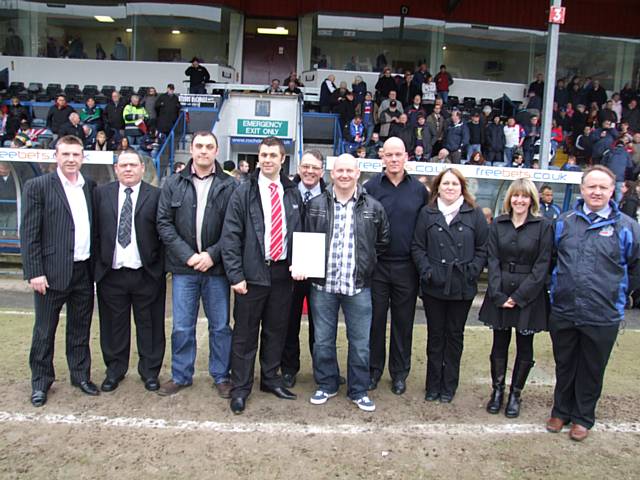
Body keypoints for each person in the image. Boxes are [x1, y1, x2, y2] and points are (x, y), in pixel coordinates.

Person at [546, 166, 640, 441]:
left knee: (592, 367)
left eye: (603, 187)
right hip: (564, 309)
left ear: (613, 190)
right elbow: (551, 259)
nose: (596, 191)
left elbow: (635, 267)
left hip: (603, 314)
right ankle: (560, 411)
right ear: (582, 189)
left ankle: (583, 417)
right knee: (564, 363)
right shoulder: (564, 221)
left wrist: (618, 295)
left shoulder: (627, 226)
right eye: (591, 187)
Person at [221, 136, 303, 414]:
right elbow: (230, 236)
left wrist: (300, 264)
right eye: (263, 155)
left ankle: (270, 378)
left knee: (276, 330)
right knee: (244, 335)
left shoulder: (292, 193)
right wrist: (235, 275)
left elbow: (300, 233)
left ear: (283, 159)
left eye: (273, 155)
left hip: (282, 274)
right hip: (251, 275)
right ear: (258, 158)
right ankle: (241, 387)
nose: (267, 159)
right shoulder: (243, 191)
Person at [301, 153, 389, 411]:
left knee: (360, 342)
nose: (344, 175)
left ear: (358, 173)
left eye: (349, 171)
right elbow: (305, 236)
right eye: (340, 170)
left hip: (358, 286)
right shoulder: (316, 203)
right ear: (331, 173)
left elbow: (382, 242)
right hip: (323, 286)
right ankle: (327, 384)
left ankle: (358, 389)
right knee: (323, 340)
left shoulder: (373, 207)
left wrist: (366, 264)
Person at [156, 131, 237, 398]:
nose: (203, 151)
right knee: (181, 326)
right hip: (183, 269)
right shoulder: (173, 183)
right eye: (199, 146)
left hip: (216, 270)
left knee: (220, 326)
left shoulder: (230, 185)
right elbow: (164, 224)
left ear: (216, 151)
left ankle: (222, 375)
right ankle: (181, 375)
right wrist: (188, 256)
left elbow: (233, 228)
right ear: (191, 149)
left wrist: (212, 255)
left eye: (209, 146)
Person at [21, 135, 98, 407]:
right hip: (51, 273)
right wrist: (34, 272)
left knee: (80, 329)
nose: (71, 159)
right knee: (44, 331)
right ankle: (40, 383)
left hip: (83, 272)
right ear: (56, 156)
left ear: (82, 157)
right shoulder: (38, 186)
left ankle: (80, 376)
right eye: (65, 154)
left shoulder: (90, 187)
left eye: (76, 154)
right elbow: (29, 233)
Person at [412, 168, 488, 403]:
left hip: (461, 286)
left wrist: (472, 271)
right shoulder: (427, 213)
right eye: (445, 184)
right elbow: (417, 246)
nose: (450, 188)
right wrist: (427, 271)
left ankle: (449, 385)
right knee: (435, 336)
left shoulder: (474, 213)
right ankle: (432, 384)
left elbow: (483, 247)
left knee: (454, 336)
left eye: (454, 184)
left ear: (461, 187)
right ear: (438, 187)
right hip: (435, 285)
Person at [479, 179, 553, 417]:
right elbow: (492, 260)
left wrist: (520, 296)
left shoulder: (543, 226)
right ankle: (497, 391)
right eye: (515, 196)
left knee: (525, 346)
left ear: (532, 199)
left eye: (524, 196)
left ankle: (515, 395)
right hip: (500, 291)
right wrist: (499, 294)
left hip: (528, 296)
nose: (519, 200)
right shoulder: (498, 224)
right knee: (499, 344)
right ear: (509, 198)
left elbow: (542, 266)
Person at [93, 149, 166, 393]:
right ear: (116, 169)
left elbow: (165, 233)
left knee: (151, 326)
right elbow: (95, 233)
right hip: (111, 274)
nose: (128, 169)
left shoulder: (156, 195)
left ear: (142, 168)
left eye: (133, 165)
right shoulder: (101, 194)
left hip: (146, 274)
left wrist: (159, 268)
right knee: (114, 326)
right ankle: (115, 370)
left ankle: (150, 372)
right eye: (123, 165)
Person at [364, 137, 429, 395]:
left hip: (407, 268)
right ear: (382, 157)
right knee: (375, 322)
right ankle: (373, 370)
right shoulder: (370, 187)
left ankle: (399, 373)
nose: (393, 159)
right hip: (377, 267)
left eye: (398, 154)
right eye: (389, 154)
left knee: (403, 323)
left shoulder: (419, 191)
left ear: (406, 157)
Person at [280, 150, 327, 388]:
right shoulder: (286, 192)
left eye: (315, 167)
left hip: (321, 271)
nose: (309, 171)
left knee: (321, 325)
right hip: (290, 269)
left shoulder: (330, 195)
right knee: (289, 322)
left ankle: (322, 370)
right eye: (305, 166)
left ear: (322, 171)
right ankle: (289, 368)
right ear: (299, 168)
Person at [0, 161, 17, 232]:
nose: (1, 171)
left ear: (9, 169)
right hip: (0, 210)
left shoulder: (15, 178)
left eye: (3, 169)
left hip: (13, 210)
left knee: (11, 232)